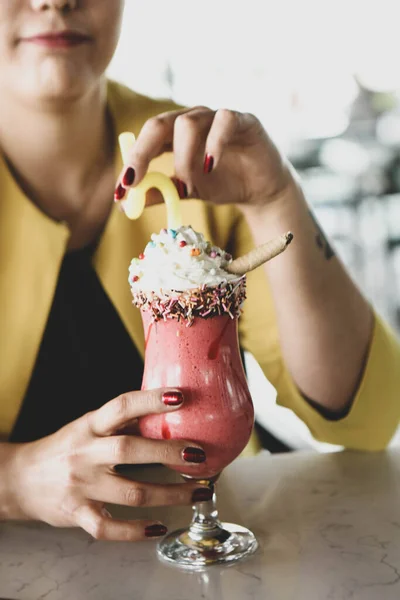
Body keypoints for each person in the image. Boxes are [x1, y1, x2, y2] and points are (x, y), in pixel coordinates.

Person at [0, 0, 399, 542]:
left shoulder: (196, 155)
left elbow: (364, 417)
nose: (56, 2)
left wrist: (274, 197)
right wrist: (14, 479)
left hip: (223, 539)